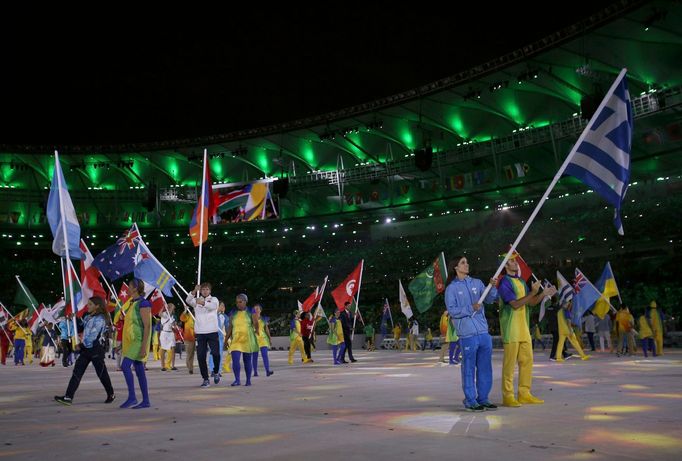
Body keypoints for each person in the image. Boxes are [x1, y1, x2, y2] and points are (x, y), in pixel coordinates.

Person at [498, 256, 556, 407]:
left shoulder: (522, 282)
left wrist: (543, 293)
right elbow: (515, 305)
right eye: (511, 261)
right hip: (511, 330)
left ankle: (524, 393)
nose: (515, 262)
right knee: (509, 365)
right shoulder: (504, 282)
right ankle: (508, 396)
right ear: (505, 266)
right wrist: (532, 292)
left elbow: (531, 303)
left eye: (515, 260)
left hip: (523, 329)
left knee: (527, 362)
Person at [445, 255, 499, 412]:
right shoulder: (452, 288)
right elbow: (453, 311)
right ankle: (470, 400)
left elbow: (489, 299)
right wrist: (470, 308)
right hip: (467, 334)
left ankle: (484, 398)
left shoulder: (477, 283)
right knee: (469, 368)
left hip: (483, 332)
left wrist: (492, 287)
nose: (466, 265)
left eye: (467, 262)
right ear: (456, 267)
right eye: (463, 263)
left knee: (485, 367)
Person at [55, 297, 116, 406]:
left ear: (97, 306)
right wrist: (76, 319)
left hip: (95, 349)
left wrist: (81, 346)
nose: (87, 306)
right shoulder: (88, 317)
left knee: (101, 373)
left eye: (90, 304)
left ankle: (111, 394)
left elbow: (93, 335)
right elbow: (81, 328)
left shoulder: (100, 319)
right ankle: (68, 397)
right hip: (86, 350)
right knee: (77, 372)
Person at [116, 279, 152, 409]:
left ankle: (132, 397)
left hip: (138, 341)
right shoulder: (133, 303)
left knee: (125, 366)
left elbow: (147, 326)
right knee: (139, 370)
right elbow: (130, 326)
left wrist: (144, 347)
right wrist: (121, 345)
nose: (127, 289)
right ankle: (146, 401)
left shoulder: (143, 303)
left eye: (129, 287)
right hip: (132, 341)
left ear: (135, 288)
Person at [186, 282, 220, 387]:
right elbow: (188, 300)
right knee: (201, 356)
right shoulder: (196, 300)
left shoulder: (214, 299)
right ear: (200, 291)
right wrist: (194, 291)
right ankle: (205, 379)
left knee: (215, 353)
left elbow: (213, 307)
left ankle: (216, 371)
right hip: (200, 332)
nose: (205, 291)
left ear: (210, 291)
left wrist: (203, 303)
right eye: (203, 289)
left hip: (212, 331)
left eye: (207, 289)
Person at [225, 294, 259, 386]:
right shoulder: (233, 313)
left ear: (245, 301)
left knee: (247, 361)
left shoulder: (251, 311)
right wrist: (226, 340)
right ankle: (237, 380)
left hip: (247, 339)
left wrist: (257, 332)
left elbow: (256, 323)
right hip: (236, 340)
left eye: (240, 302)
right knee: (235, 360)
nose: (238, 304)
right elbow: (230, 328)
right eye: (237, 302)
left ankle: (248, 380)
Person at [252, 304, 274, 377]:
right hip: (254, 339)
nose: (256, 310)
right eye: (255, 309)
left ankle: (267, 371)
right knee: (255, 356)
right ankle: (255, 371)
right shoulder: (251, 319)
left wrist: (270, 338)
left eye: (257, 309)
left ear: (260, 310)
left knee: (265, 355)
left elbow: (266, 329)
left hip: (263, 339)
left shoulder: (263, 319)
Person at [209, 302, 227, 374]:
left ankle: (218, 370)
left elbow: (227, 326)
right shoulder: (212, 315)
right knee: (212, 354)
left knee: (220, 354)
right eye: (221, 305)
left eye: (223, 305)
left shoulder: (223, 317)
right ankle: (212, 369)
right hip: (213, 337)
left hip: (220, 338)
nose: (223, 307)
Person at [159, 304, 176, 371]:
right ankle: (163, 366)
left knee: (173, 349)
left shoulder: (173, 316)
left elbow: (174, 326)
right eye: (173, 308)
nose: (173, 309)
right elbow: (159, 314)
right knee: (163, 349)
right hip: (164, 333)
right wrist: (163, 306)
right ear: (169, 308)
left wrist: (173, 324)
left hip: (171, 333)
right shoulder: (164, 314)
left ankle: (172, 365)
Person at [179, 307, 196, 374]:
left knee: (192, 353)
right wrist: (185, 311)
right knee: (189, 353)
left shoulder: (197, 317)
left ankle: (190, 367)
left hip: (195, 338)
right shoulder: (188, 316)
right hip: (188, 338)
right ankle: (190, 368)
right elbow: (181, 318)